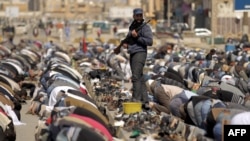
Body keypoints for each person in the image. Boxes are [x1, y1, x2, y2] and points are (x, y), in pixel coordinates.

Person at [122, 8, 153, 103]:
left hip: (140, 53)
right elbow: (130, 39)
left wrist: (138, 37)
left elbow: (150, 41)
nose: (139, 17)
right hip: (133, 53)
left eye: (140, 15)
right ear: (134, 16)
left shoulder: (145, 27)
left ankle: (136, 99)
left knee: (135, 77)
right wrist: (126, 43)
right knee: (139, 77)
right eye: (137, 15)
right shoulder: (132, 27)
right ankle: (145, 101)